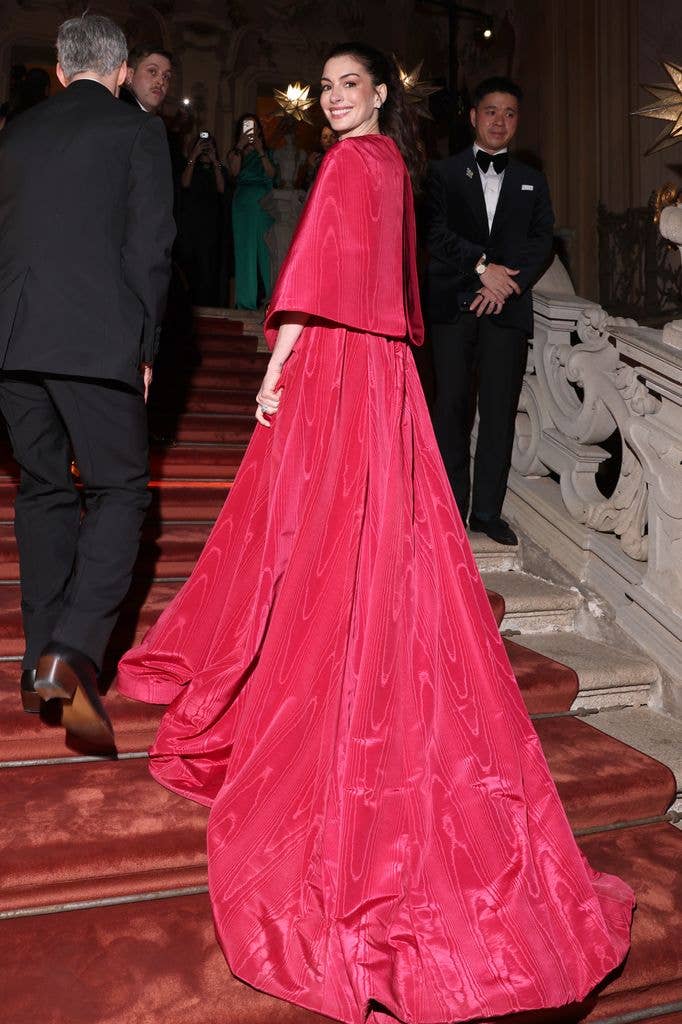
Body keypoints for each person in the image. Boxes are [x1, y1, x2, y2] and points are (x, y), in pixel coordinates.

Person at [116, 42, 633, 1024]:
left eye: (352, 85)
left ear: (380, 94)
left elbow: (315, 280)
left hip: (341, 373)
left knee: (308, 535)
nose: (339, 99)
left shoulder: (357, 164)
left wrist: (278, 366)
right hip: (384, 375)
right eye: (332, 88)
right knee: (373, 543)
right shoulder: (392, 167)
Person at [0, 14, 175, 749]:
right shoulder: (137, 132)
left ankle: (41, 657)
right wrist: (145, 348)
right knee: (120, 492)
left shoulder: (14, 135)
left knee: (42, 491)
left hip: (11, 345)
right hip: (95, 341)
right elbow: (152, 249)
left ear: (64, 69)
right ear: (123, 68)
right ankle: (71, 650)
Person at [425, 76, 554, 546]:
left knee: (499, 411)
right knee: (452, 409)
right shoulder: (442, 173)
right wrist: (483, 269)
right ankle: (449, 510)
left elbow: (542, 242)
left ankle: (486, 513)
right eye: (492, 111)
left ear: (517, 122)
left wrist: (506, 285)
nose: (500, 121)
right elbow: (434, 233)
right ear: (474, 115)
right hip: (454, 306)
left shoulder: (532, 181)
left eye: (510, 113)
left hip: (507, 309)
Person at [226, 113, 277, 310]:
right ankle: (245, 302)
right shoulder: (235, 153)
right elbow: (234, 172)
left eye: (255, 126)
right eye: (247, 126)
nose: (251, 130)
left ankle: (271, 300)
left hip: (264, 204)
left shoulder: (267, 152)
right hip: (243, 205)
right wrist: (239, 145)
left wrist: (260, 151)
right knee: (244, 251)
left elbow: (272, 174)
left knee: (266, 251)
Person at [175, 132, 227, 306]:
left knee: (208, 267)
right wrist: (194, 155)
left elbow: (222, 189)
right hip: (190, 224)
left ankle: (207, 305)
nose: (205, 147)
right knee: (189, 265)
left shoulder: (218, 167)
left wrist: (214, 160)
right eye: (202, 143)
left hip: (210, 225)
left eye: (208, 144)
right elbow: (184, 183)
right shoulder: (189, 165)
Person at [119, 44, 172, 113]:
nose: (161, 82)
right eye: (152, 71)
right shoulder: (120, 114)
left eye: (166, 76)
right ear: (130, 75)